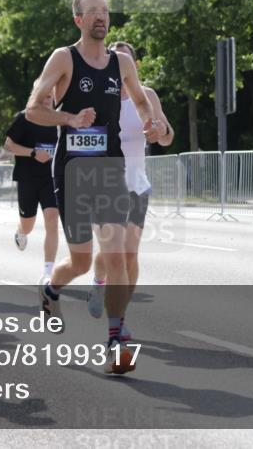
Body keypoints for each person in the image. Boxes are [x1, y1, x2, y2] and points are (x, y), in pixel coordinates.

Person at [26, 0, 162, 375]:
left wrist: (152, 119)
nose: (101, 17)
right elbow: (34, 109)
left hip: (110, 170)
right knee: (83, 261)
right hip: (72, 172)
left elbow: (138, 98)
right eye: (92, 12)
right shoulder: (63, 58)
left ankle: (116, 337)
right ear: (78, 20)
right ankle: (51, 288)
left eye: (105, 11)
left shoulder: (122, 62)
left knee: (116, 252)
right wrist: (69, 119)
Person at [86, 41, 174, 332]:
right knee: (111, 254)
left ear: (134, 66)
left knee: (129, 254)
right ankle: (99, 283)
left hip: (137, 186)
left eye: (126, 60)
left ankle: (120, 318)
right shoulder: (97, 96)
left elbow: (167, 135)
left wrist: (161, 130)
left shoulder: (147, 96)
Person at [4, 93, 59, 284]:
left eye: (49, 97)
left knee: (52, 219)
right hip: (27, 177)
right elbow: (8, 145)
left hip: (51, 178)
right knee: (28, 225)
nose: (46, 101)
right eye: (42, 97)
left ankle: (48, 272)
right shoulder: (24, 117)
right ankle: (21, 230)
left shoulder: (60, 120)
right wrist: (32, 152)